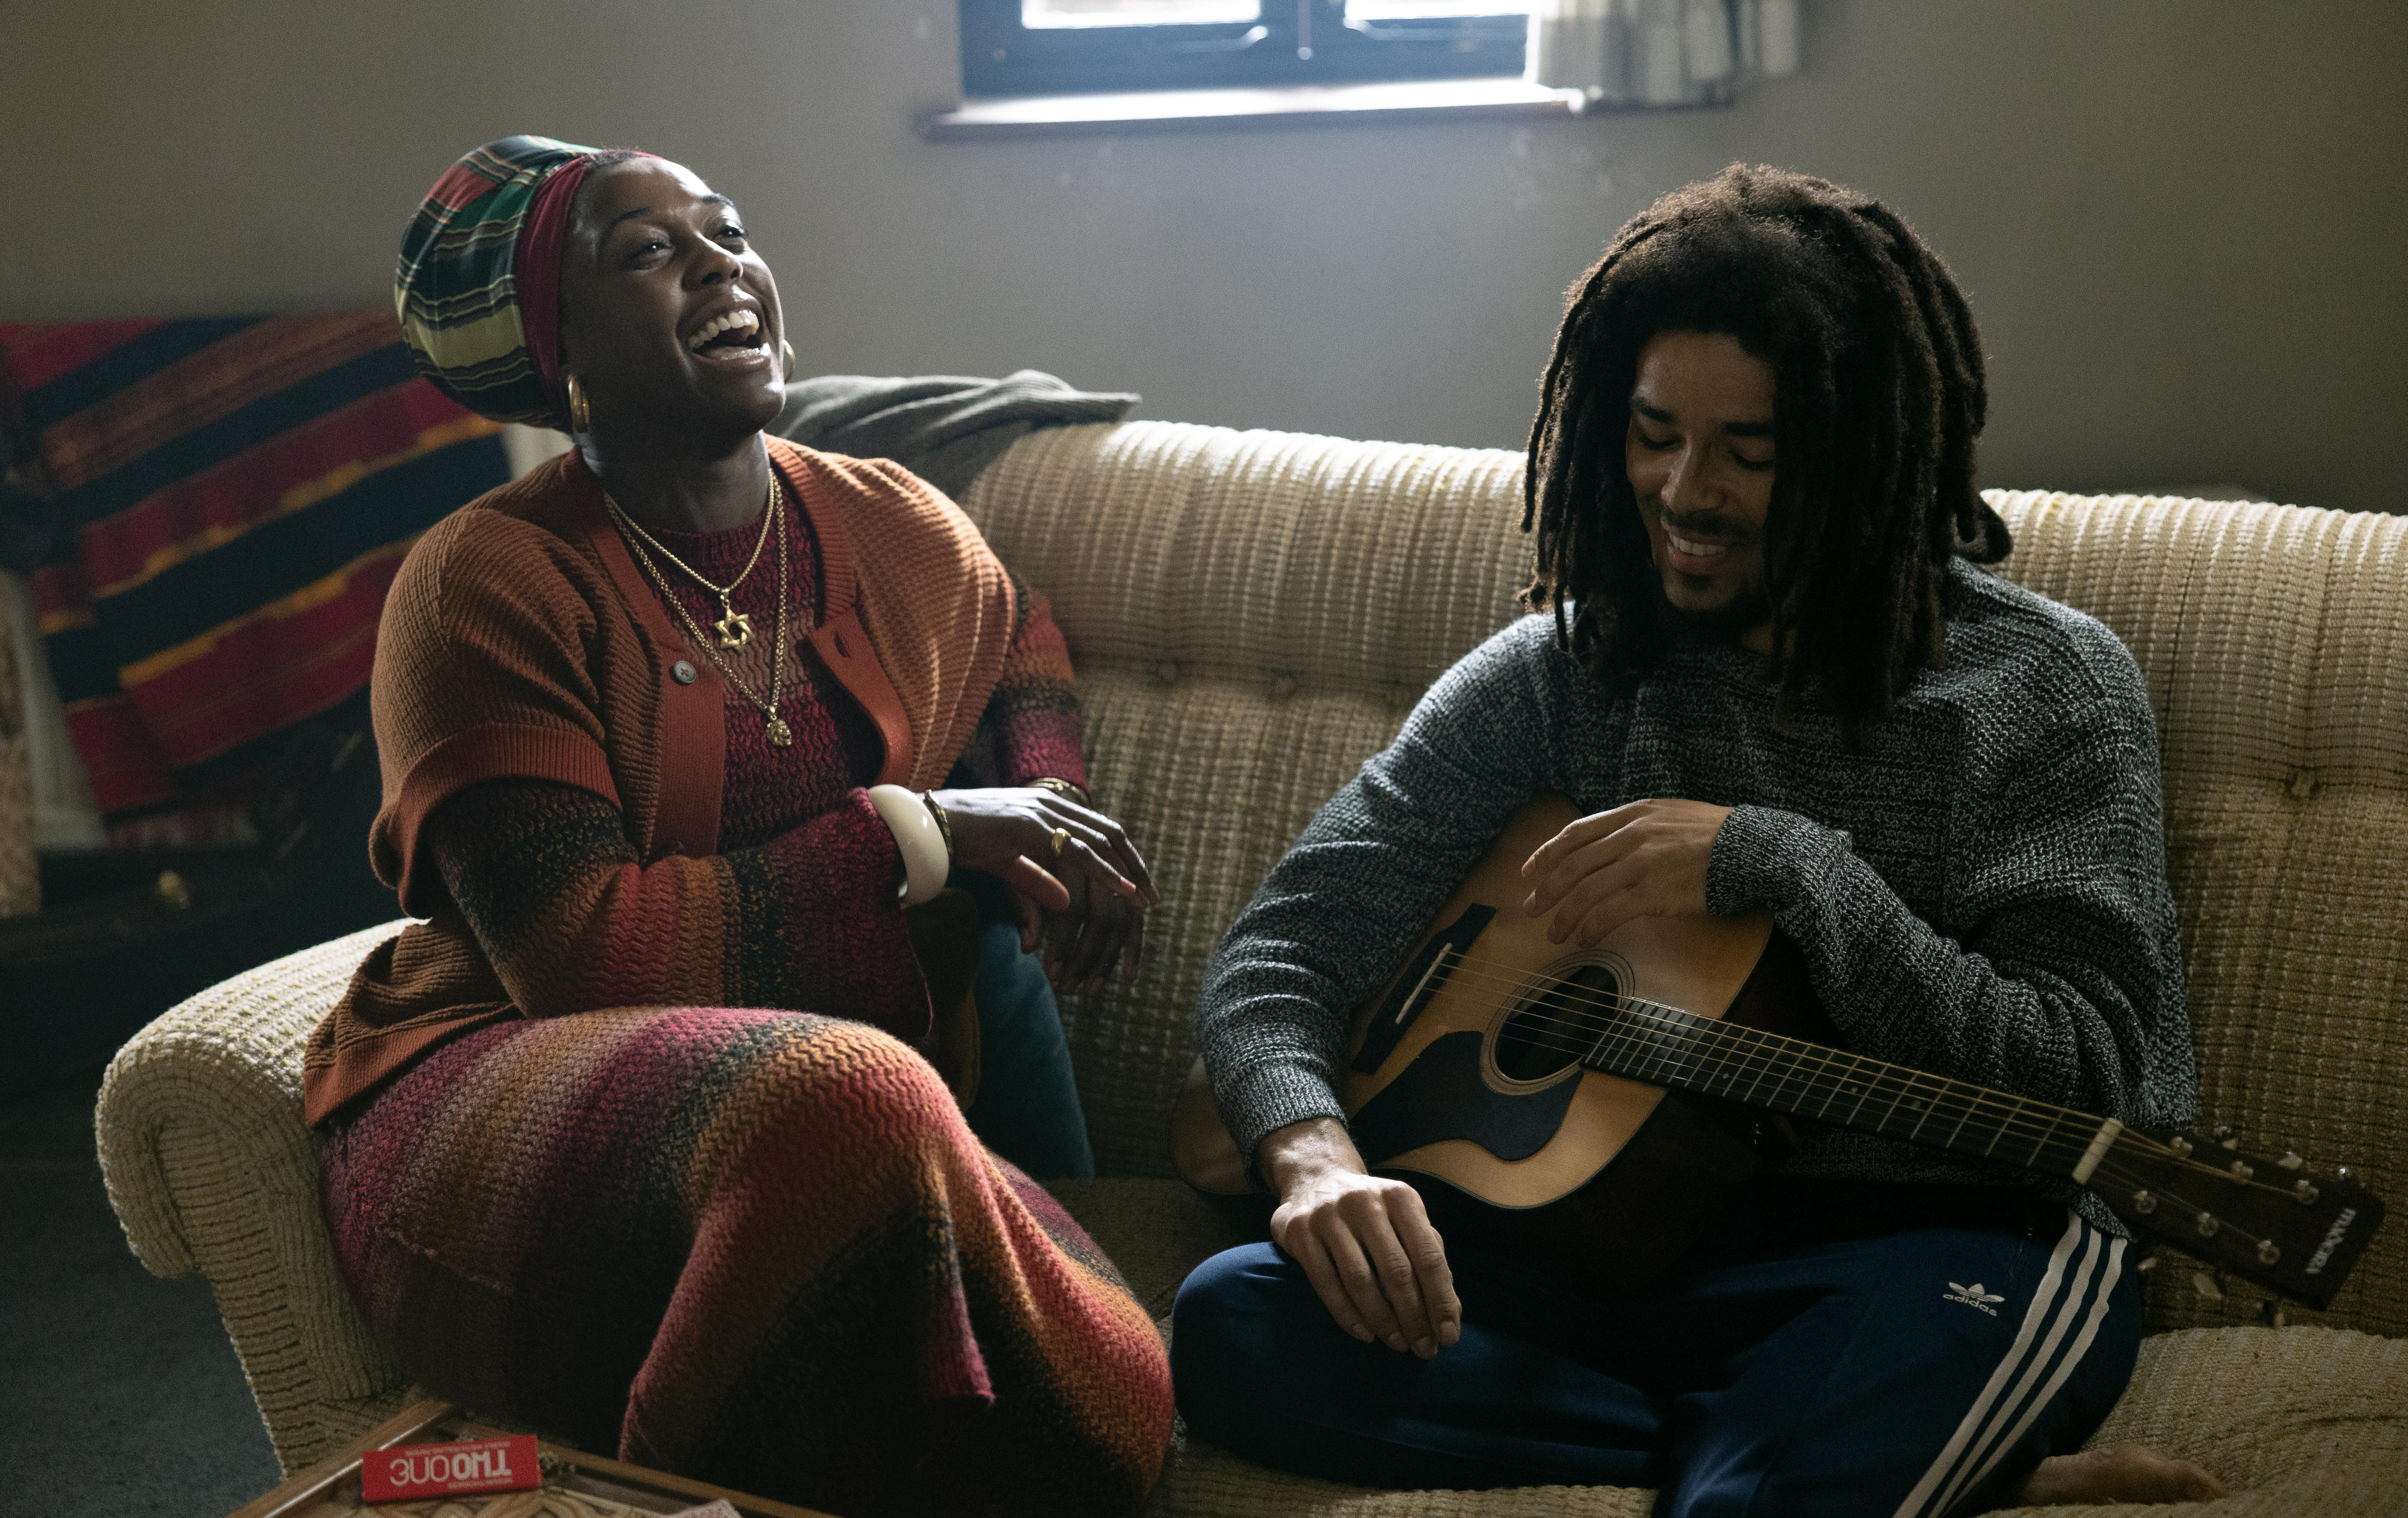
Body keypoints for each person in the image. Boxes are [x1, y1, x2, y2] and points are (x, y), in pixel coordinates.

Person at [1171, 166, 2227, 1515]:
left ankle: (1802, 1456)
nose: (1685, 491)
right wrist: (1313, 1159)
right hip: (1603, 1252)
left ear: (1865, 456)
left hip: (1931, 1241)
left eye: (1750, 451)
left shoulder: (2044, 691)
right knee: (1234, 1322)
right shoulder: (1562, 673)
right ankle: (1895, 1464)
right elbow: (1286, 950)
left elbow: (2100, 1073)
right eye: (1654, 433)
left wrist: (1794, 867)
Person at [305, 135, 1172, 1517]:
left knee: (1098, 1384)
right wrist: (921, 832)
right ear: (559, 353)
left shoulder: (885, 518)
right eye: (649, 252)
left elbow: (1018, 632)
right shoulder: (484, 583)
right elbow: (583, 956)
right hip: (524, 1105)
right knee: (852, 1092)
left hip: (835, 1132)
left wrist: (1046, 813)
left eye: (728, 230)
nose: (720, 263)